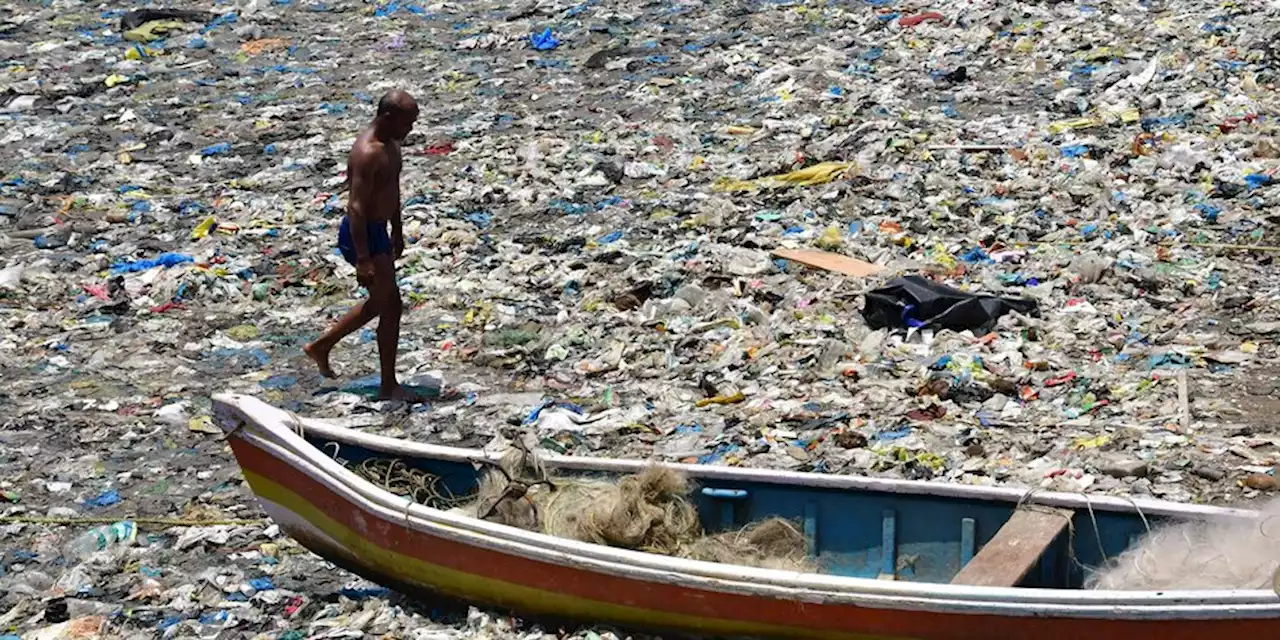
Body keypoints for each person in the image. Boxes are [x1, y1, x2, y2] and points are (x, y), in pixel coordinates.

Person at [305, 90, 423, 402]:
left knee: (384, 303)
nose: (411, 128)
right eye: (407, 121)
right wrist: (362, 259)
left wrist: (397, 229)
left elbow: (392, 189)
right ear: (388, 118)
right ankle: (387, 385)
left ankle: (323, 346)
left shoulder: (393, 144)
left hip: (380, 230)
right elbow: (355, 208)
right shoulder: (367, 152)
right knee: (390, 305)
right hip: (362, 234)